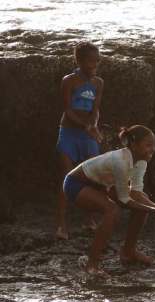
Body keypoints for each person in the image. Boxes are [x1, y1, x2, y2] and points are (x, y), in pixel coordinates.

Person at [63, 125, 155, 277]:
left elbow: (137, 193)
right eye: (148, 145)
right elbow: (124, 199)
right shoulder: (120, 161)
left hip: (102, 187)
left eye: (154, 145)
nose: (153, 149)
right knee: (112, 210)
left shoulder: (141, 161)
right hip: (76, 184)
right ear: (133, 145)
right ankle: (92, 264)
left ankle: (128, 252)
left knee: (142, 207)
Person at [56, 41, 104, 240]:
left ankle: (89, 219)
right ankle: (61, 225)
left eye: (97, 61)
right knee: (67, 179)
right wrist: (86, 128)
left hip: (88, 135)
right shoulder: (69, 81)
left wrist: (93, 126)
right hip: (69, 133)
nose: (94, 66)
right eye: (90, 62)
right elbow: (67, 110)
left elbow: (95, 110)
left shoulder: (98, 83)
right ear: (79, 61)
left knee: (93, 177)